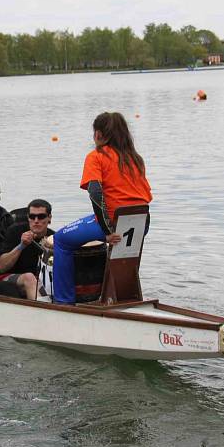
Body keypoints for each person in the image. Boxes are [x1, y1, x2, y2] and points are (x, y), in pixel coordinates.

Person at [52, 112, 152, 304]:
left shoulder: (96, 156)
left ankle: (63, 302)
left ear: (98, 134)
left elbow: (95, 192)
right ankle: (120, 296)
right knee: (122, 253)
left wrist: (107, 231)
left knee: (61, 240)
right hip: (142, 221)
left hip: (115, 222)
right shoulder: (135, 158)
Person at [0, 199, 55, 300]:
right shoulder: (15, 231)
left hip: (39, 279)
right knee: (29, 278)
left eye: (41, 217)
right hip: (11, 277)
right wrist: (21, 245)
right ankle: (42, 311)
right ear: (28, 218)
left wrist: (51, 251)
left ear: (49, 218)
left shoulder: (53, 238)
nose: (36, 221)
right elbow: (1, 266)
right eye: (32, 217)